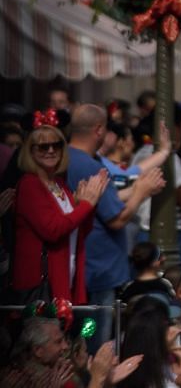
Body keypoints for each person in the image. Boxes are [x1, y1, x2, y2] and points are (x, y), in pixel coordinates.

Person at [64, 106, 168, 341]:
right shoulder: (91, 167)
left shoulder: (68, 159)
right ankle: (89, 374)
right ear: (98, 130)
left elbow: (102, 203)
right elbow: (116, 219)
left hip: (83, 268)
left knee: (79, 335)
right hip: (98, 271)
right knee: (92, 338)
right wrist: (141, 192)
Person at [10, 113, 109, 307]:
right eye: (43, 146)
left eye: (56, 145)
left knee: (77, 336)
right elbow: (53, 230)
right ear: (29, 151)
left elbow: (79, 230)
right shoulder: (30, 185)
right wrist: (86, 204)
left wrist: (89, 204)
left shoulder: (59, 184)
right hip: (42, 287)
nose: (51, 150)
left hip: (66, 278)